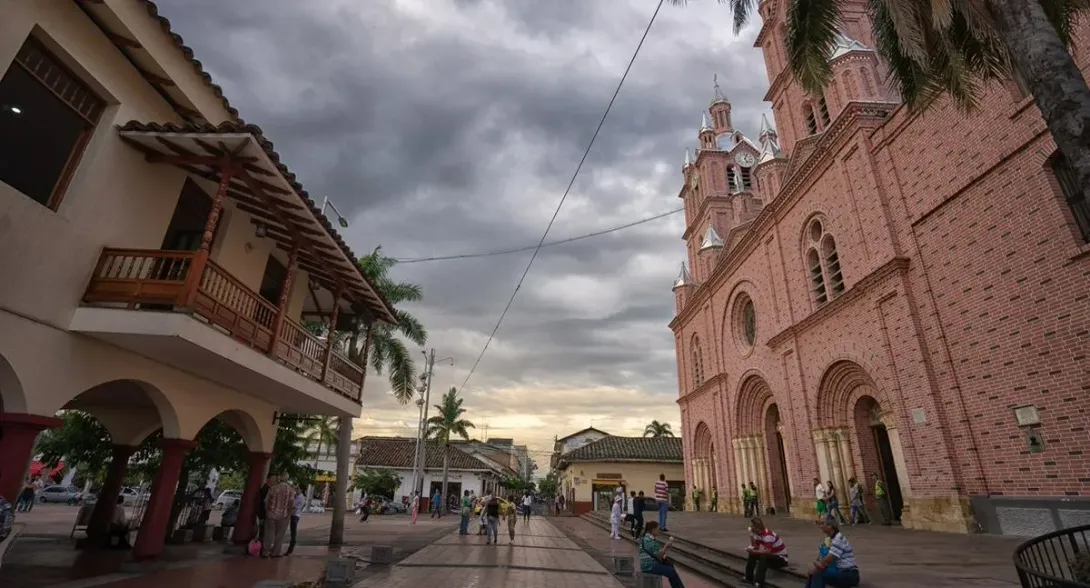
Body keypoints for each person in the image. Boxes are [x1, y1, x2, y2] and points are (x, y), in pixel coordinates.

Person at [805, 515, 861, 587]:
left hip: (848, 574)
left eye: (822, 524)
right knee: (812, 574)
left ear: (830, 526)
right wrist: (815, 564)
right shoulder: (828, 539)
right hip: (837, 571)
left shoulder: (838, 539)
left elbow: (828, 559)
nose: (820, 526)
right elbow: (820, 558)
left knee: (818, 574)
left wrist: (816, 566)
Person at [743, 516, 788, 588]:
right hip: (772, 556)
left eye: (752, 526)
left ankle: (759, 582)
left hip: (781, 559)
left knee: (764, 556)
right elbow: (755, 547)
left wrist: (755, 551)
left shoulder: (768, 535)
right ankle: (749, 577)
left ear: (757, 527)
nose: (751, 528)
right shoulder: (758, 535)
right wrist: (751, 536)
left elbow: (768, 552)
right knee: (752, 554)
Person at [639, 521, 685, 588]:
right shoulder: (649, 540)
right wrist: (666, 546)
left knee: (670, 566)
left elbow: (656, 553)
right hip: (649, 566)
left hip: (649, 564)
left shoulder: (646, 538)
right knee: (671, 572)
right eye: (658, 529)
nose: (659, 531)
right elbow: (659, 555)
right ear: (653, 530)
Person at [261, 473, 294, 558]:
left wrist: (267, 511)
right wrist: (288, 513)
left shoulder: (273, 488)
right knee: (280, 534)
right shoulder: (290, 490)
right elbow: (291, 503)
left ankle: (265, 551)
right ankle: (275, 552)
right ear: (287, 479)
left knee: (269, 533)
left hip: (271, 513)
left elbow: (266, 501)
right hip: (284, 515)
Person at [286, 486, 305, 555]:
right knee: (292, 531)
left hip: (295, 515)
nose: (296, 490)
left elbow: (295, 506)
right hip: (293, 514)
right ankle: (291, 547)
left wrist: (290, 507)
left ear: (301, 490)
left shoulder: (301, 498)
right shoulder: (296, 496)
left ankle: (291, 547)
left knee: (293, 532)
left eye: (298, 489)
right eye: (296, 489)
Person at [257, 473, 275, 541]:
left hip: (266, 514)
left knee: (264, 532)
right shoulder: (266, 489)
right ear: (268, 479)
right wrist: (261, 516)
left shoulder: (269, 489)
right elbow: (262, 503)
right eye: (273, 479)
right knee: (263, 532)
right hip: (264, 515)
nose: (274, 480)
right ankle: (261, 548)